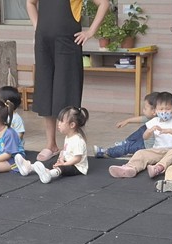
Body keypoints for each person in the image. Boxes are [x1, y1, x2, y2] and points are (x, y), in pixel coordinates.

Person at [25, 0, 109, 162]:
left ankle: (69, 148)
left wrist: (91, 31)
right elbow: (30, 3)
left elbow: (104, 4)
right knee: (46, 92)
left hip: (68, 43)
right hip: (43, 43)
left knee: (67, 92)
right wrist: (37, 26)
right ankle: (51, 145)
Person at [108, 92, 172, 178]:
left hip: (171, 151)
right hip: (157, 151)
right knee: (140, 153)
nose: (164, 111)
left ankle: (158, 168)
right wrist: (149, 131)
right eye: (161, 109)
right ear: (156, 110)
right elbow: (145, 137)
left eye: (167, 109)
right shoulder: (154, 121)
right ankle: (130, 168)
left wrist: (169, 130)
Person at [15, 106, 89, 184]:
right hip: (67, 161)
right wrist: (61, 158)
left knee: (62, 168)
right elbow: (66, 150)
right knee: (51, 163)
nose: (58, 124)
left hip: (77, 167)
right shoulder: (68, 136)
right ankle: (29, 167)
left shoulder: (77, 140)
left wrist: (64, 164)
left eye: (61, 121)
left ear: (72, 125)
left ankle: (49, 174)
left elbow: (77, 159)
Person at [93, 91, 158, 158]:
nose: (143, 110)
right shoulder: (153, 118)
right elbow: (141, 119)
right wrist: (127, 121)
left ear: (154, 112)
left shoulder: (156, 122)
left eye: (145, 108)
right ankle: (127, 142)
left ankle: (106, 152)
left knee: (128, 147)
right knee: (143, 128)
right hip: (145, 141)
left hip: (146, 148)